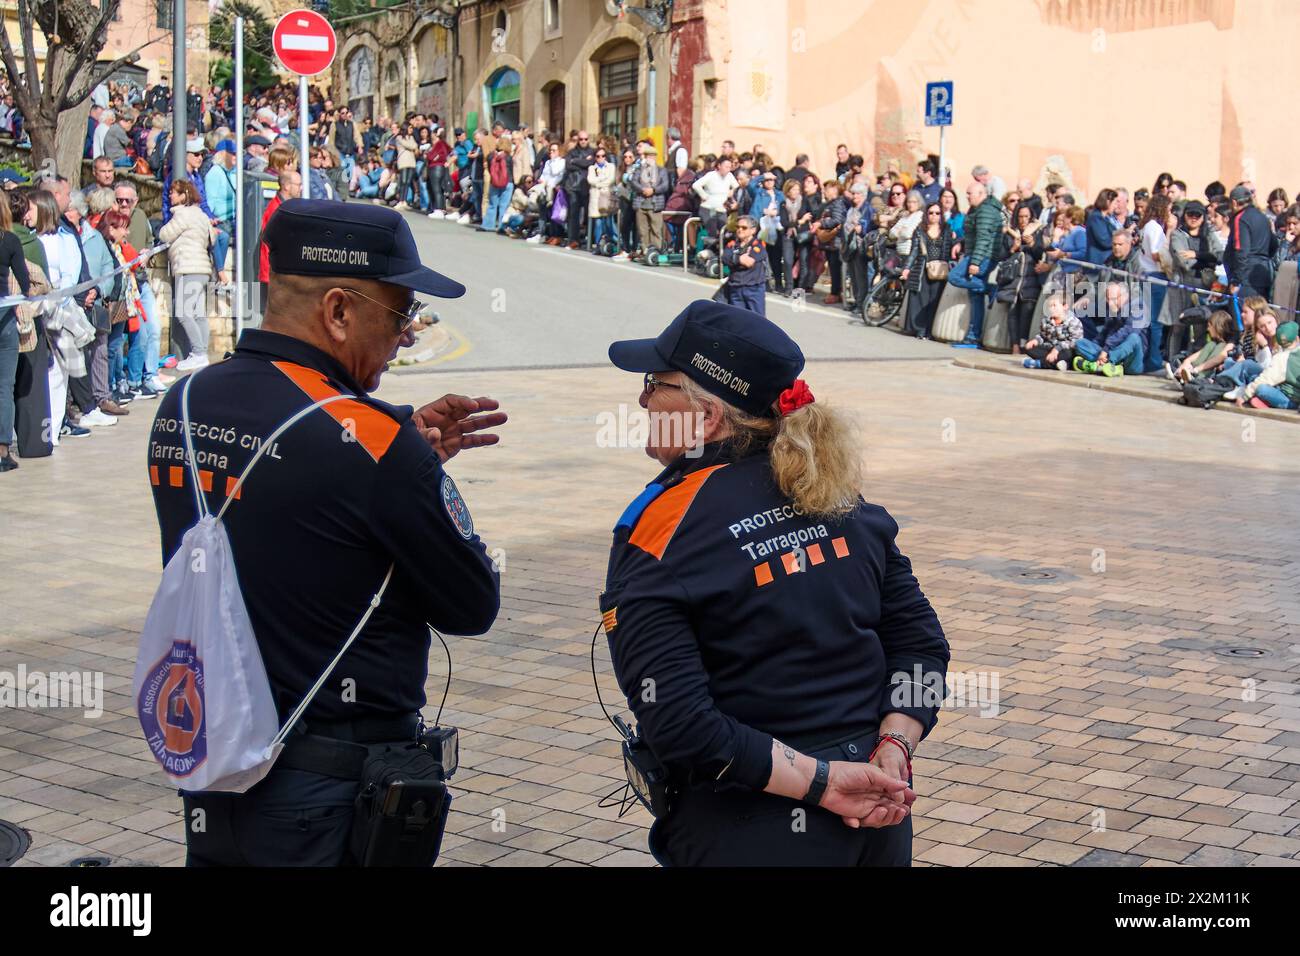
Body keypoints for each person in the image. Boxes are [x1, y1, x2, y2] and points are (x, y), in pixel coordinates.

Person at [147, 200, 506, 866]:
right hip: (331, 791)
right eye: (401, 314)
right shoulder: (379, 446)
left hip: (216, 758)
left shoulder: (186, 403)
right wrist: (412, 464)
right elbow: (472, 603)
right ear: (338, 311)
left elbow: (295, 510)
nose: (407, 335)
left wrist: (398, 450)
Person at [601, 300, 949, 866]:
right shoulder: (840, 498)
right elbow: (925, 651)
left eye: (655, 384)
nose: (642, 400)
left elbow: (681, 725)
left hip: (753, 822)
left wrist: (824, 782)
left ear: (707, 417)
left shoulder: (661, 528)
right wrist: (895, 746)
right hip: (876, 817)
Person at [159, 179, 214, 371]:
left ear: (184, 195)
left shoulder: (182, 214)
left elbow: (165, 234)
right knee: (198, 314)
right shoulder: (201, 215)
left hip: (187, 267)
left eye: (174, 192)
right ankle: (202, 354)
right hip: (203, 269)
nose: (170, 195)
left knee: (183, 312)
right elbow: (212, 238)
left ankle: (198, 353)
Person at [947, 181, 1003, 347]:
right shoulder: (978, 209)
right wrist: (961, 243)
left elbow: (983, 239)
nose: (967, 196)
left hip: (982, 256)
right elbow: (973, 234)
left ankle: (991, 289)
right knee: (975, 295)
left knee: (954, 276)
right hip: (976, 254)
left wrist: (975, 262)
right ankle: (973, 336)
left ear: (980, 194)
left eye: (969, 193)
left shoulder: (986, 211)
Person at [0, 187, 31, 472]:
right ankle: (2, 451)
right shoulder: (10, 240)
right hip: (5, 320)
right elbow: (24, 282)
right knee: (4, 388)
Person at [900, 201, 955, 339]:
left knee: (933, 301)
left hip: (940, 270)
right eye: (931, 213)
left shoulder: (947, 229)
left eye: (937, 213)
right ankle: (919, 329)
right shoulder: (919, 230)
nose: (934, 216)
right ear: (926, 214)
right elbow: (914, 251)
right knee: (921, 300)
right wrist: (907, 268)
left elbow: (949, 248)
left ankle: (929, 331)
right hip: (923, 269)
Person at [1073, 281, 1144, 377]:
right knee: (1079, 343)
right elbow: (1104, 333)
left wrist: (1106, 350)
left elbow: (1128, 330)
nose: (1110, 303)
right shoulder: (1112, 309)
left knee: (1134, 338)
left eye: (1114, 299)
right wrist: (1095, 345)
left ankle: (1105, 362)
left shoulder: (1138, 306)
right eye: (1108, 299)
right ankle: (1107, 365)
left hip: (1131, 361)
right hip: (1110, 352)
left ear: (1125, 296)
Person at [1224, 184, 1274, 300]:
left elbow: (1241, 250)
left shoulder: (1240, 219)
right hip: (1263, 274)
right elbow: (1273, 245)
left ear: (1234, 203)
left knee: (1242, 315)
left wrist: (1236, 281)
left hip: (1246, 278)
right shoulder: (1263, 217)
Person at [1022, 292, 1084, 370]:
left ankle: (1039, 363)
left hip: (1064, 350)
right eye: (1050, 306)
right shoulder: (1046, 320)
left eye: (1054, 305)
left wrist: (1057, 349)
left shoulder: (1073, 321)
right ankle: (1060, 364)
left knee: (1068, 354)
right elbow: (1043, 336)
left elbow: (1076, 341)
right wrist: (1036, 341)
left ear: (1065, 307)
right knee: (1029, 349)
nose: (1051, 308)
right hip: (1050, 348)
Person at [720, 215, 768, 316]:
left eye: (744, 228)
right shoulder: (732, 244)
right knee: (737, 321)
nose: (740, 230)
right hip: (735, 288)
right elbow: (724, 258)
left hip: (753, 289)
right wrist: (739, 259)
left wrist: (734, 259)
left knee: (758, 321)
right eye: (738, 227)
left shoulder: (758, 244)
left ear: (753, 230)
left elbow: (749, 262)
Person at [630, 140, 669, 260]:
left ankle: (656, 251)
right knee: (643, 230)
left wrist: (653, 190)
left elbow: (665, 185)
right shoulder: (639, 169)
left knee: (656, 230)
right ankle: (644, 251)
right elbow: (633, 182)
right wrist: (643, 189)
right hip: (641, 203)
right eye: (648, 156)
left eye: (652, 156)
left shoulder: (661, 170)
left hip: (655, 204)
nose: (650, 158)